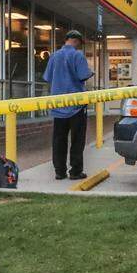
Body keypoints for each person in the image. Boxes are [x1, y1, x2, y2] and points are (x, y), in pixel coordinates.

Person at [43, 29, 93, 180]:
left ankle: (59, 171)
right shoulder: (77, 55)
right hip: (76, 107)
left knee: (59, 140)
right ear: (76, 41)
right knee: (77, 141)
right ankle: (75, 171)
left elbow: (47, 77)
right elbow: (83, 75)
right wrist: (91, 72)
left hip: (58, 106)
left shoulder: (54, 56)